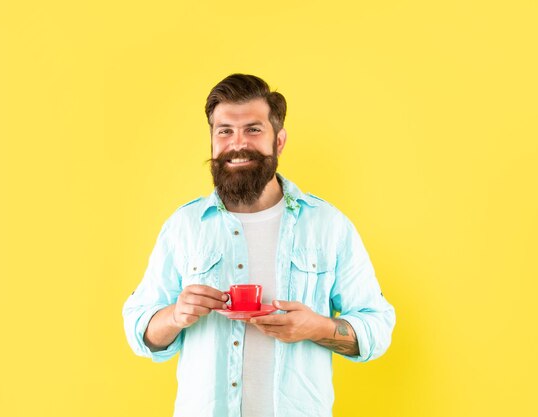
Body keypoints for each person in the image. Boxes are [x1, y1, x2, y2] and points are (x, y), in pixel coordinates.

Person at [123, 74, 396, 417]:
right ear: (212, 139)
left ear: (278, 141)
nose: (238, 144)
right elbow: (139, 330)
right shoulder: (184, 226)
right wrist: (176, 316)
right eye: (225, 131)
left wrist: (319, 327)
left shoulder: (328, 226)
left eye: (253, 129)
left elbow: (378, 326)